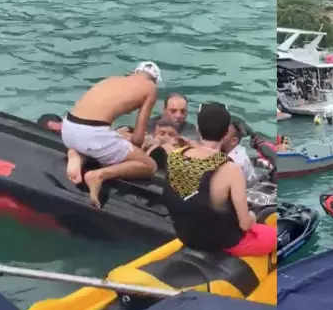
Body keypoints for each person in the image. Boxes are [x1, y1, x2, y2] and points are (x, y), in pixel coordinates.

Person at [161, 103, 275, 256]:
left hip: (186, 236)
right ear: (225, 132)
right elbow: (245, 225)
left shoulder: (175, 156)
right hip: (222, 244)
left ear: (197, 129)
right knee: (275, 234)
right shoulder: (230, 169)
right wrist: (254, 216)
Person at [61, 62, 161, 208]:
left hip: (68, 127)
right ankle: (98, 176)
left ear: (134, 72)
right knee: (150, 166)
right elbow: (138, 139)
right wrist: (135, 148)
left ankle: (76, 154)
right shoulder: (150, 88)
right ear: (155, 80)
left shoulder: (112, 80)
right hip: (91, 135)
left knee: (100, 144)